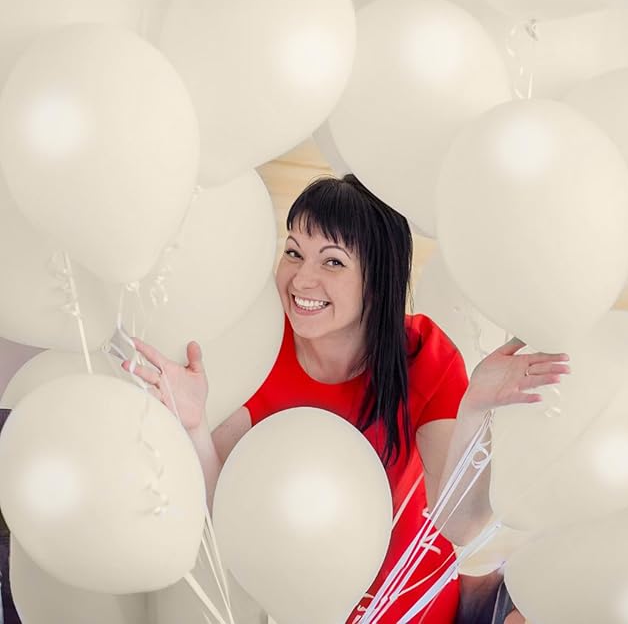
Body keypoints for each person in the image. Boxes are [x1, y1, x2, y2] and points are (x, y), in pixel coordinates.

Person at [125, 174, 568, 623]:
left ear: (377, 279)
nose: (302, 278)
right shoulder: (259, 348)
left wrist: (476, 409)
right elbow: (228, 519)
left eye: (332, 261)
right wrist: (194, 425)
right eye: (293, 252)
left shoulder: (421, 354)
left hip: (423, 611)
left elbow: (462, 524)